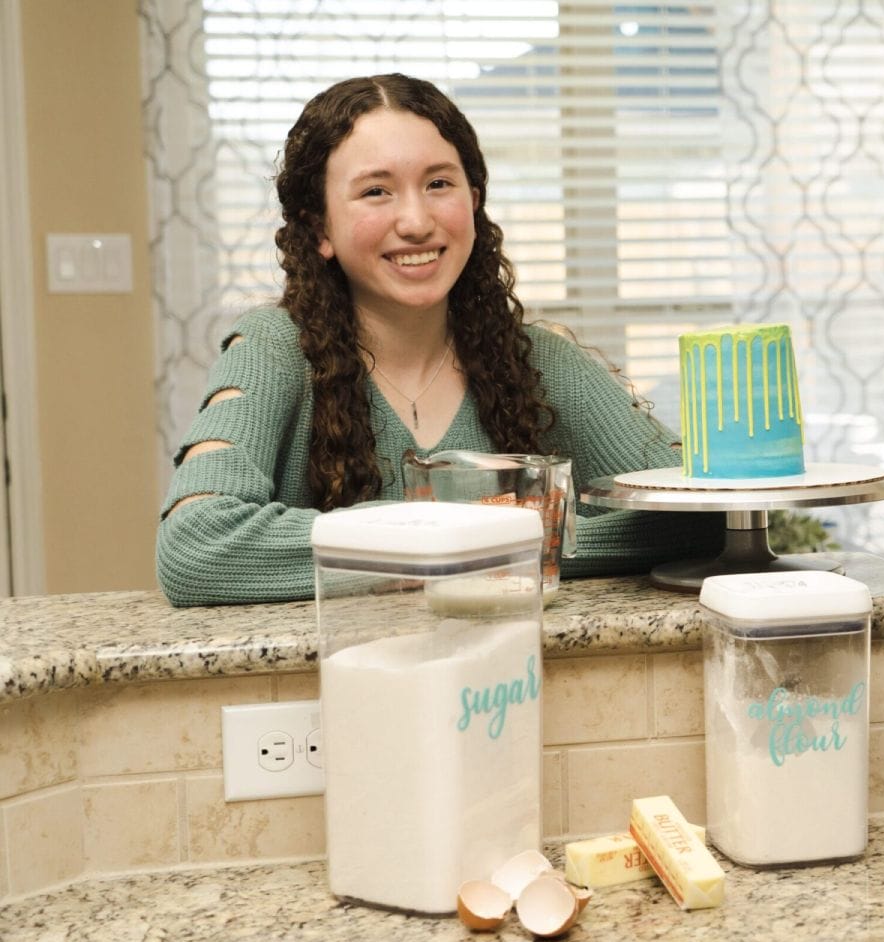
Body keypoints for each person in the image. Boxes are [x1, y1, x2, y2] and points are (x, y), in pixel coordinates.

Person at [156, 73, 720, 607]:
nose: (416, 220)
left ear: (473, 202)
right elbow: (198, 546)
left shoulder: (543, 360)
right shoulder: (271, 349)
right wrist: (501, 536)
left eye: (439, 184)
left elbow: (705, 513)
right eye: (376, 191)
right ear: (320, 229)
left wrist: (469, 546)